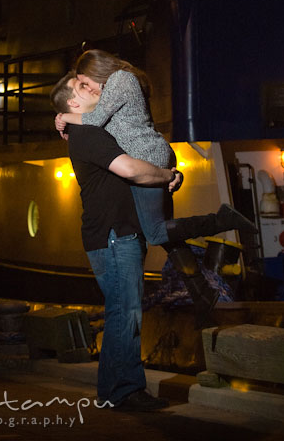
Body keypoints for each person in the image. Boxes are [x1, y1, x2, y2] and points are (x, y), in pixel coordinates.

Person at [55, 49, 257, 326]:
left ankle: (222, 219)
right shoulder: (117, 85)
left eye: (84, 82)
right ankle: (201, 290)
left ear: (97, 70)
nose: (87, 88)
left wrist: (65, 117)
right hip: (151, 154)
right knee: (169, 236)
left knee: (156, 232)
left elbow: (96, 119)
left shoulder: (120, 81)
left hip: (147, 157)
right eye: (81, 86)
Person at [51, 72, 181, 412]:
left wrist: (170, 173)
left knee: (123, 312)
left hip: (118, 234)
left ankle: (114, 391)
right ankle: (124, 391)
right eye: (84, 86)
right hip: (112, 236)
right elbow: (130, 169)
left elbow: (144, 160)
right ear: (74, 103)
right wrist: (167, 175)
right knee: (127, 313)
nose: (96, 87)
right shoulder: (87, 135)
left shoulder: (96, 130)